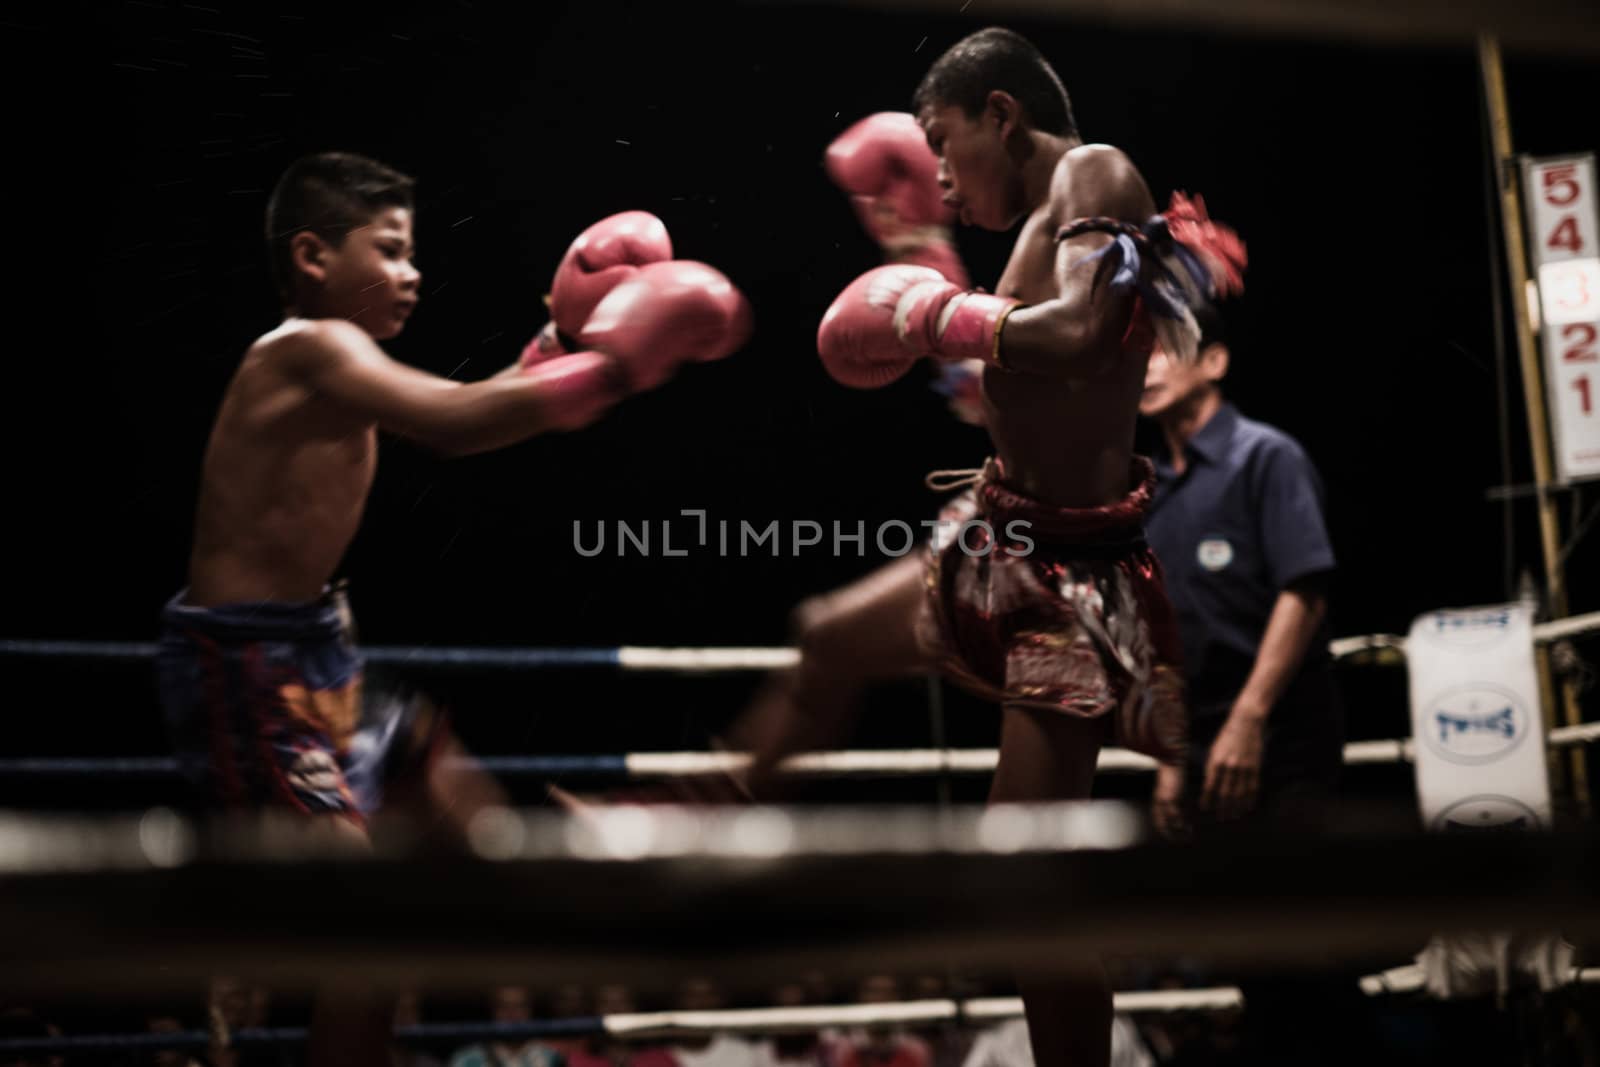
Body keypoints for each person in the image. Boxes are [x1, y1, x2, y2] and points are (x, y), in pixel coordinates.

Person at [155, 151, 750, 1065]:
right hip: (248, 670)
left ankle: (574, 839)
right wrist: (614, 366)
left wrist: (558, 350)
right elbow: (454, 419)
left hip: (320, 656)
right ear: (313, 257)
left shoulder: (342, 362)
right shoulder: (308, 348)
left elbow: (478, 413)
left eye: (413, 252)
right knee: (371, 929)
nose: (413, 271)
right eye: (389, 250)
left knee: (461, 826)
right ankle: (227, 969)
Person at [727, 27, 1245, 1067]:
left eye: (941, 145)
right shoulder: (1035, 234)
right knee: (825, 635)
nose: (940, 179)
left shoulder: (1095, 172)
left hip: (1072, 578)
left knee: (1027, 886)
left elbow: (1082, 334)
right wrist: (915, 266)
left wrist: (930, 309)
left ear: (1000, 115)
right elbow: (1000, 378)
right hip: (996, 534)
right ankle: (695, 822)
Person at [1139, 301, 1342, 829]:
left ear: (1214, 362)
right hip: (1195, 744)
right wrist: (1168, 755)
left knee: (1293, 906)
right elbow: (1159, 629)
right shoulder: (1148, 489)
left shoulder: (1266, 456)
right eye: (1139, 353)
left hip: (1279, 732)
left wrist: (1249, 718)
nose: (1147, 367)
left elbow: (1305, 593)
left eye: (1164, 350)